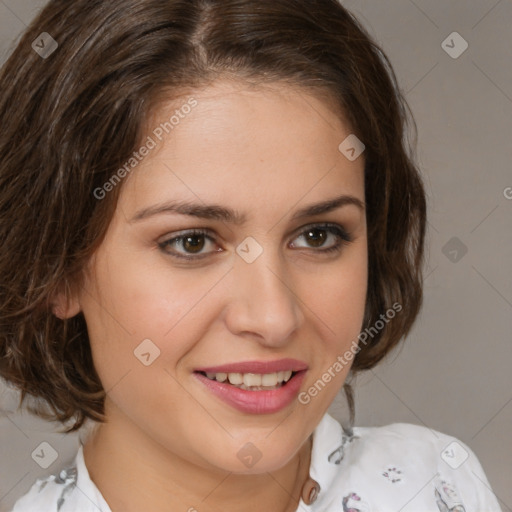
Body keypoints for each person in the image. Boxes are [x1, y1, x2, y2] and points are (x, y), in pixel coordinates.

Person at [0, 1, 502, 511]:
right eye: (192, 242)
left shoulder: (439, 486)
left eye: (317, 235)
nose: (273, 317)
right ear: (55, 269)